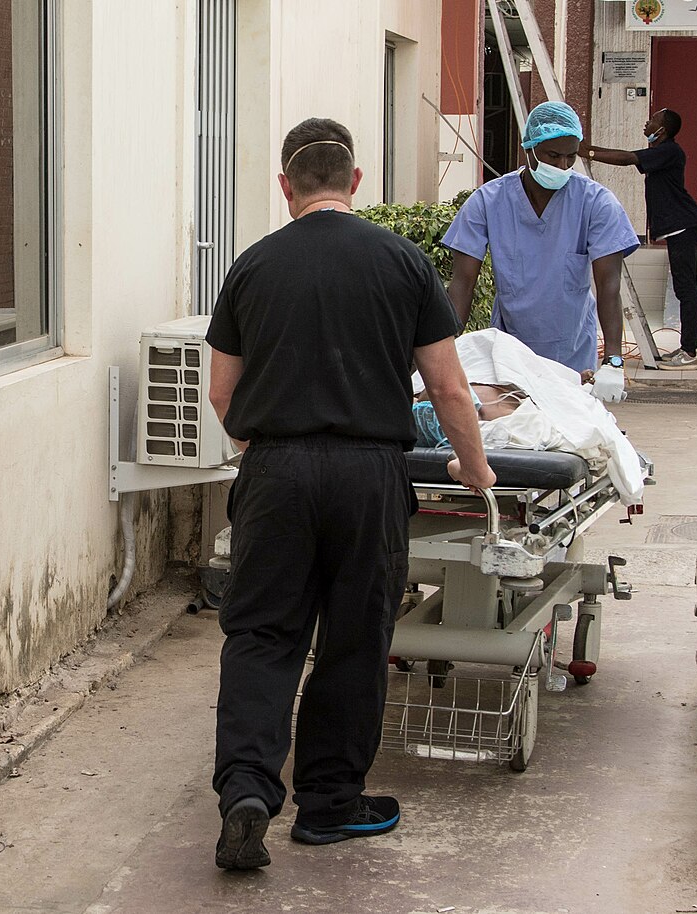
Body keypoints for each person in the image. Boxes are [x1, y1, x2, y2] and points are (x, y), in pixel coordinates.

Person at [205, 117, 496, 871]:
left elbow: (221, 394)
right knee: (355, 639)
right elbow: (449, 388)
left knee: (264, 636)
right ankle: (330, 807)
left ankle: (245, 789)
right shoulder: (402, 262)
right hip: (370, 475)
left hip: (275, 473)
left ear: (285, 187)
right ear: (356, 183)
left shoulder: (252, 267)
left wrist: (265, 447)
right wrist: (475, 469)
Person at [442, 101, 639, 402]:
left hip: (571, 354)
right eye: (553, 156)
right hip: (510, 352)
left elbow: (609, 288)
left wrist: (613, 361)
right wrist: (443, 354)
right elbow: (462, 285)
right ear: (529, 149)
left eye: (570, 157)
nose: (561, 166)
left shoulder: (596, 203)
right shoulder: (489, 202)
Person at [580, 108, 697, 370]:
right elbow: (632, 157)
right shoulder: (660, 153)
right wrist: (586, 148)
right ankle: (687, 347)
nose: (647, 123)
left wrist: (588, 153)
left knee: (686, 288)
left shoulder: (670, 150)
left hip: (684, 225)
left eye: (654, 121)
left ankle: (690, 351)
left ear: (663, 130)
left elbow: (628, 159)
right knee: (683, 287)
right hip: (679, 227)